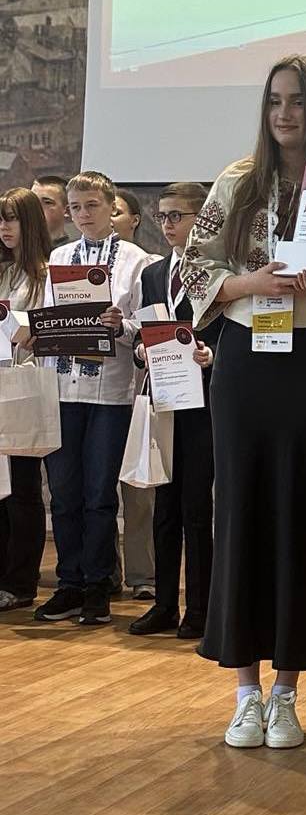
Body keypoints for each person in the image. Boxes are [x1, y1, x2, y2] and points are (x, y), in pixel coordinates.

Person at [181, 53, 306, 751]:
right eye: (274, 101)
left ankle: (287, 690)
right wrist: (248, 283)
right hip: (245, 363)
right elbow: (192, 265)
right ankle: (244, 692)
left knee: (305, 513)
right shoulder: (239, 180)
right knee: (239, 511)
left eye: (297, 101)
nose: (284, 114)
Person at [34, 171, 150, 627]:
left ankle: (99, 585)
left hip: (110, 392)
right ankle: (69, 583)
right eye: (76, 207)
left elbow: (145, 327)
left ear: (111, 207)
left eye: (92, 206)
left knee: (99, 495)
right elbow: (49, 316)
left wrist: (120, 325)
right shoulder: (59, 257)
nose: (83, 214)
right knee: (63, 494)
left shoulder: (137, 261)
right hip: (62, 386)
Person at [129, 183, 222, 640]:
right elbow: (146, 329)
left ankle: (200, 607)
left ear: (201, 219)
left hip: (203, 402)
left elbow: (230, 330)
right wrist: (141, 352)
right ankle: (165, 603)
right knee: (164, 504)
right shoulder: (153, 273)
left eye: (176, 216)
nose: (167, 225)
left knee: (196, 506)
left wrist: (212, 355)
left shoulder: (218, 271)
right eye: (162, 216)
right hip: (165, 398)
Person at [0, 188, 52, 611]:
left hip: (25, 386)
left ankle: (21, 581)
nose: (4, 227)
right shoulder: (4, 273)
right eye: (0, 219)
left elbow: (51, 330)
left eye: (11, 218)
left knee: (23, 487)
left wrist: (30, 333)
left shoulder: (47, 276)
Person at [109, 185, 159, 601]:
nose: (107, 219)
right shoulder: (71, 259)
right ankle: (105, 569)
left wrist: (123, 329)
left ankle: (144, 575)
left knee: (139, 489)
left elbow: (146, 327)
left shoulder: (145, 265)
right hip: (91, 386)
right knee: (96, 488)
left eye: (115, 211)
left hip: (134, 387)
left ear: (134, 220)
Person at [31, 175, 72, 248]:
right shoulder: (16, 249)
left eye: (47, 202)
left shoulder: (72, 253)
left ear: (67, 211)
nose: (36, 208)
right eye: (32, 201)